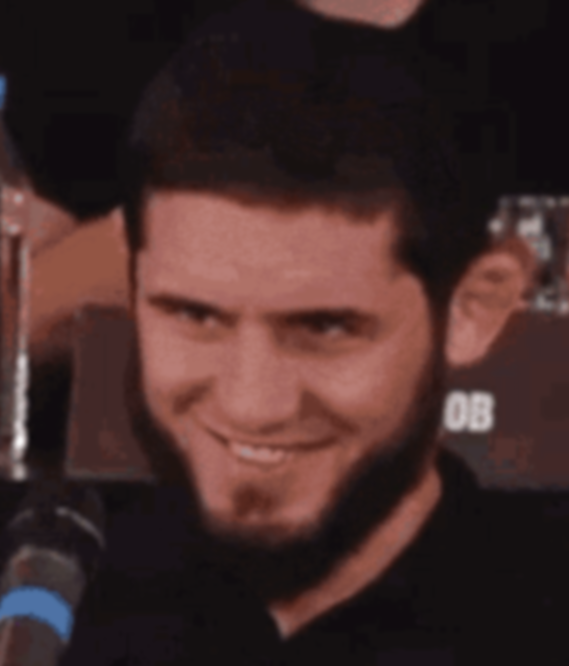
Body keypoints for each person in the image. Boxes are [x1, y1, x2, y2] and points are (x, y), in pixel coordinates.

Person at [20, 2, 569, 665]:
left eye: (324, 328)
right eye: (194, 315)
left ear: (471, 311)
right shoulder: (47, 608)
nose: (253, 403)